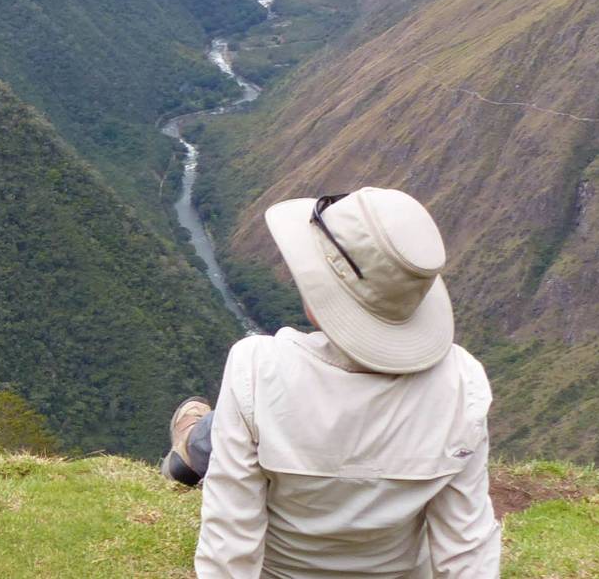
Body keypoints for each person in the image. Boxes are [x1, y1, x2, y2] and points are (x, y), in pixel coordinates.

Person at [164, 188, 500, 578]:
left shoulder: (256, 364)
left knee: (246, 411)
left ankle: (192, 446)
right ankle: (195, 443)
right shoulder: (463, 384)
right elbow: (466, 547)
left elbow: (230, 537)